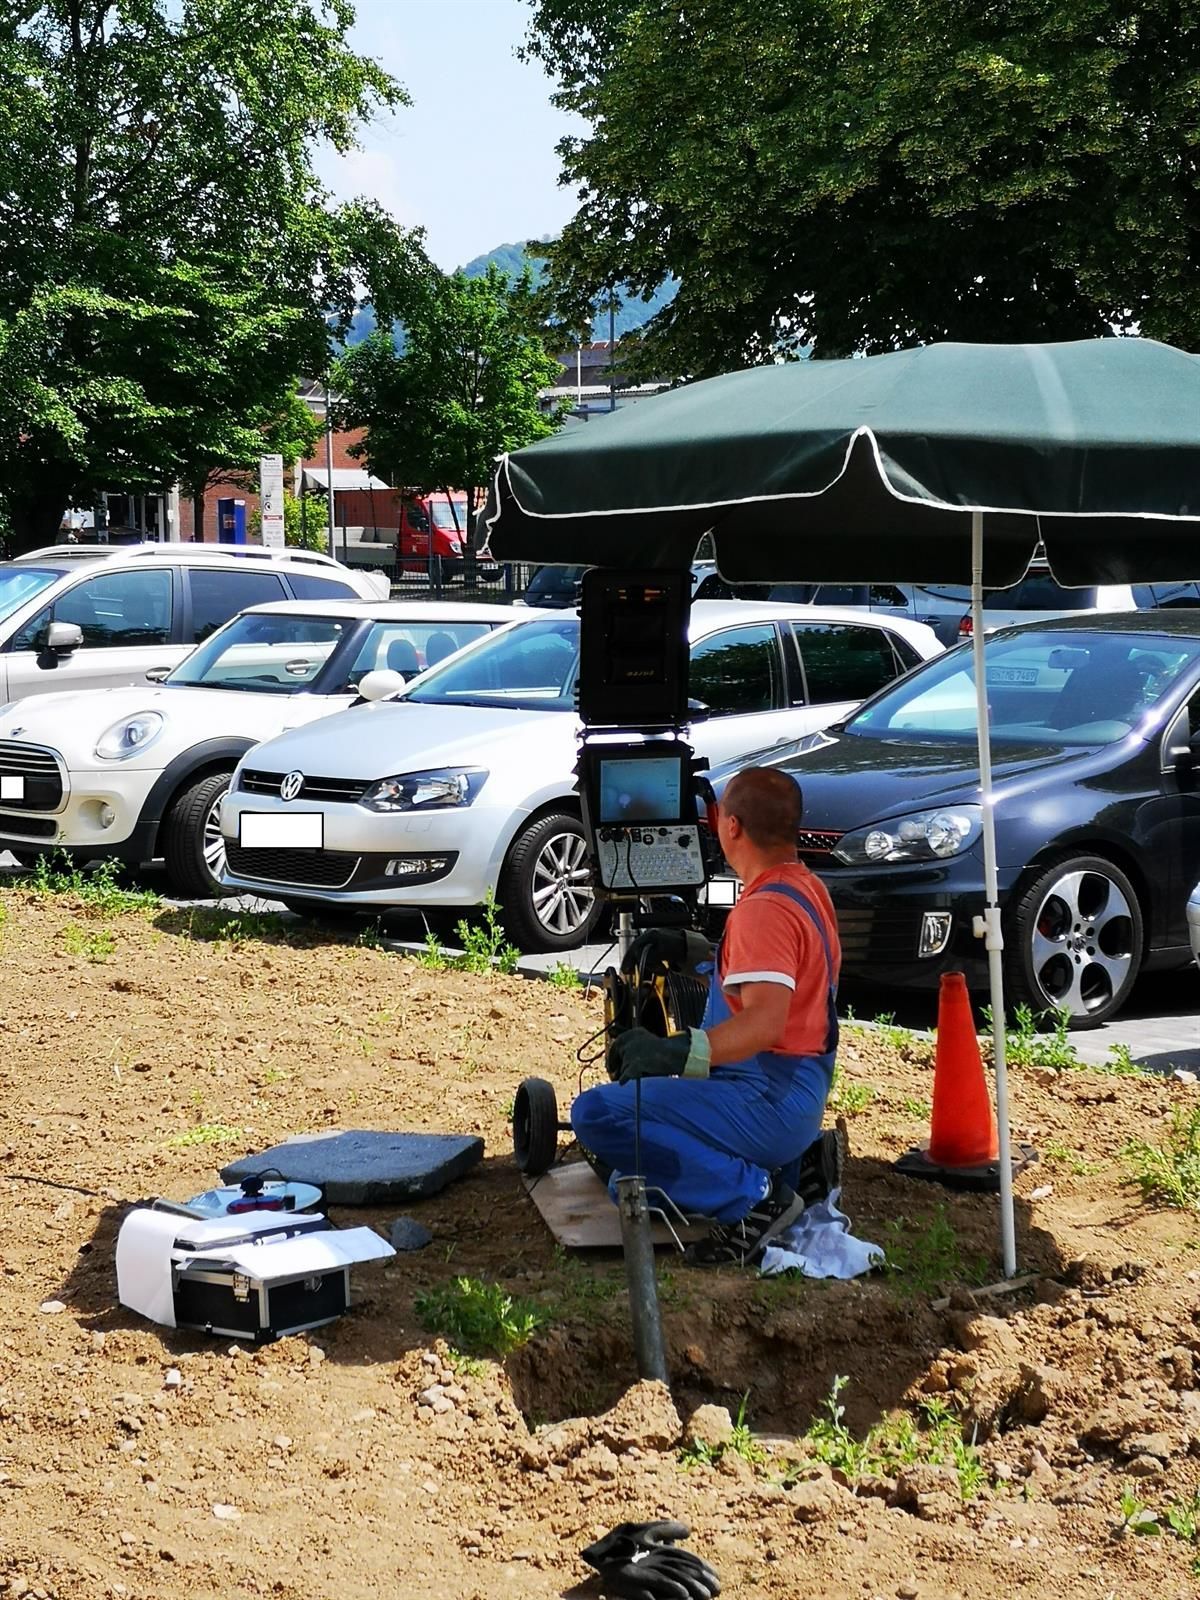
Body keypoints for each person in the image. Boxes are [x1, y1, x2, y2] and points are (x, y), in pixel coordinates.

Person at [571, 765, 842, 1266]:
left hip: (766, 1097)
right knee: (628, 1183)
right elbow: (767, 974)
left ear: (731, 826)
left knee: (598, 1114)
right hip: (797, 1092)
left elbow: (764, 1022)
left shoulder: (764, 910)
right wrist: (696, 949)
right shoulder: (805, 888)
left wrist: (674, 1050)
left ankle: (755, 1200)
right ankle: (794, 1169)